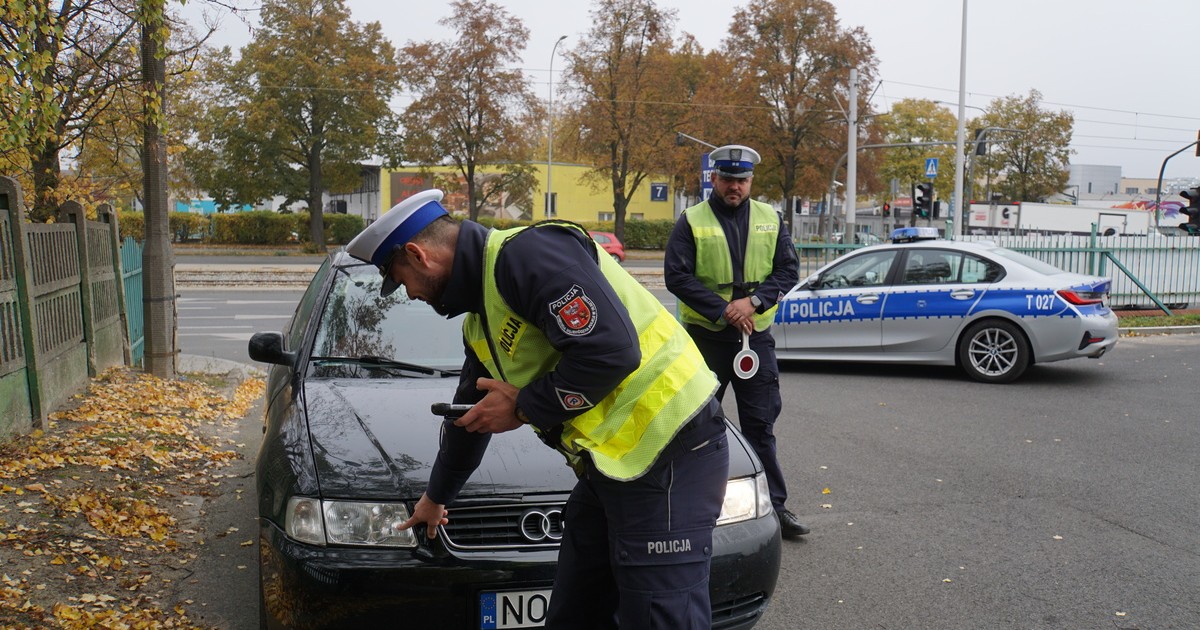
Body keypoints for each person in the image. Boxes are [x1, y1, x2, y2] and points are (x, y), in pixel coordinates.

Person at [346, 189, 730, 629]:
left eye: (400, 280)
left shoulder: (524, 255)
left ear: (418, 255)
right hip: (611, 468)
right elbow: (469, 418)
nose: (409, 294)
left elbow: (611, 352)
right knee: (574, 613)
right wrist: (435, 499)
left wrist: (525, 407)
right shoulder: (481, 320)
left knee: (660, 619)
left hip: (674, 452)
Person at [663, 144, 810, 539]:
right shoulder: (691, 221)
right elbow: (677, 277)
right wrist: (723, 308)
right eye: (728, 179)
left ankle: (775, 509)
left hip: (754, 338)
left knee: (760, 426)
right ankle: (689, 507)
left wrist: (754, 301)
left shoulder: (770, 218)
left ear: (750, 182)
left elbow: (787, 270)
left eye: (742, 180)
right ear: (714, 178)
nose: (735, 187)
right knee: (693, 424)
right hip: (706, 339)